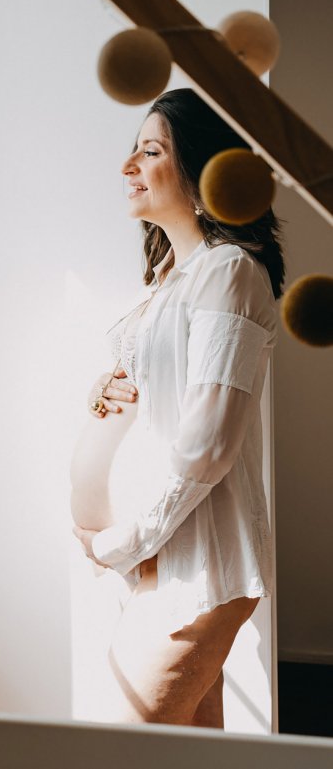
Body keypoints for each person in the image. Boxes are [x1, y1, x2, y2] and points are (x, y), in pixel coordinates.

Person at [70, 87, 285, 728]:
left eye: (151, 150)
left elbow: (208, 447)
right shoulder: (177, 276)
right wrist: (103, 399)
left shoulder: (230, 272)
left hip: (195, 569)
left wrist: (122, 542)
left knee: (120, 748)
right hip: (165, 568)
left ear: (200, 170)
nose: (127, 166)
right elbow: (162, 402)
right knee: (192, 753)